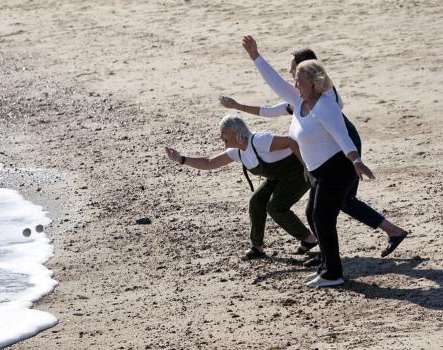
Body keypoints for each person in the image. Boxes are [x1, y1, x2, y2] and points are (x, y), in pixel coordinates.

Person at [220, 47, 408, 262]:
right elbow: (273, 109)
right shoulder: (303, 97)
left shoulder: (324, 98)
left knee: (337, 202)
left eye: (294, 68)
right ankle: (386, 233)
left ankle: (343, 253)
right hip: (333, 149)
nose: (290, 73)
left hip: (341, 146)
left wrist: (355, 159)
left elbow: (335, 127)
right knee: (324, 206)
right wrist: (238, 106)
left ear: (308, 72)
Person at [238, 35, 377, 288]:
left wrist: (356, 161)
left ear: (313, 83)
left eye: (299, 80)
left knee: (323, 218)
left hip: (338, 169)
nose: (294, 83)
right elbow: (276, 84)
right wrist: (255, 57)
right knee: (315, 214)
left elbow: (342, 135)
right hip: (322, 172)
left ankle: (333, 273)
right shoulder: (300, 101)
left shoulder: (326, 105)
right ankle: (326, 268)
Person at [165, 115, 317, 260]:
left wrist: (306, 166)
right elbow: (210, 163)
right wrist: (181, 159)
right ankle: (257, 247)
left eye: (223, 133)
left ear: (234, 132)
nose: (220, 137)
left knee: (275, 207)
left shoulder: (259, 141)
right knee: (256, 202)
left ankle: (308, 238)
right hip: (278, 177)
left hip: (299, 173)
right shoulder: (236, 151)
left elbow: (291, 142)